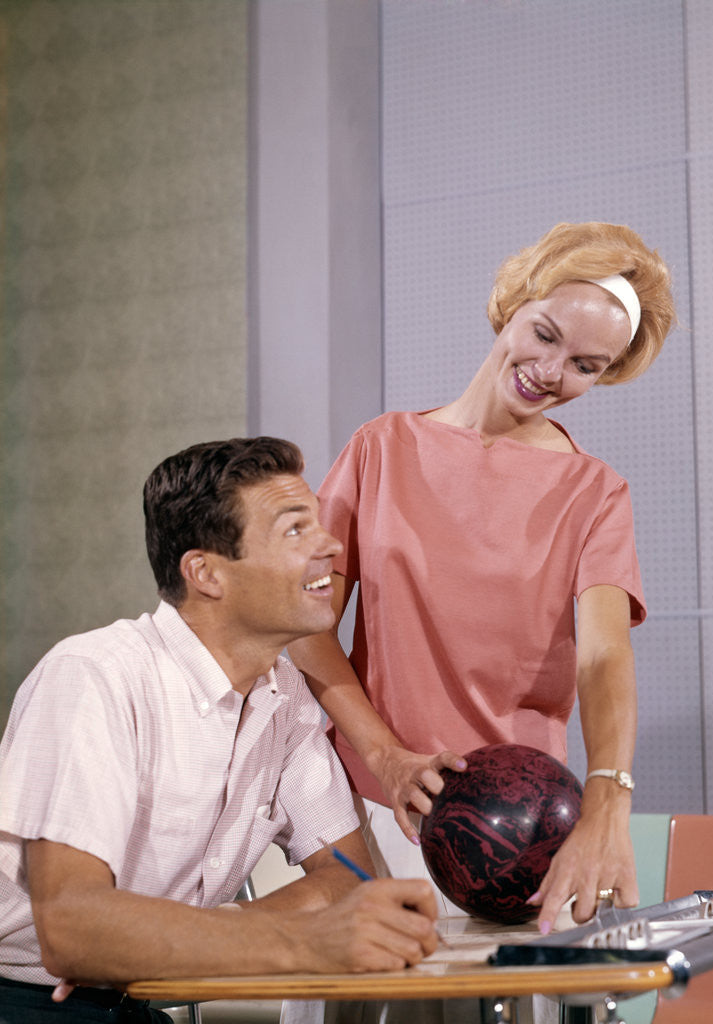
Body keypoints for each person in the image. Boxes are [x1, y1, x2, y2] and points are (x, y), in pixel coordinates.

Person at [288, 222, 676, 940]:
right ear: (514, 304)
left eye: (585, 366)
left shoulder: (595, 493)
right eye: (545, 334)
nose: (550, 371)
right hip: (369, 804)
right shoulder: (380, 448)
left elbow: (603, 656)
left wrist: (607, 804)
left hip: (519, 835)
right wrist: (385, 757)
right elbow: (305, 628)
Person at [0, 437, 438, 1024]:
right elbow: (73, 929)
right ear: (205, 573)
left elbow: (351, 876)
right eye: (295, 530)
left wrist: (185, 934)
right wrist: (302, 940)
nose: (331, 545)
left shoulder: (286, 699)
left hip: (135, 1003)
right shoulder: (93, 677)